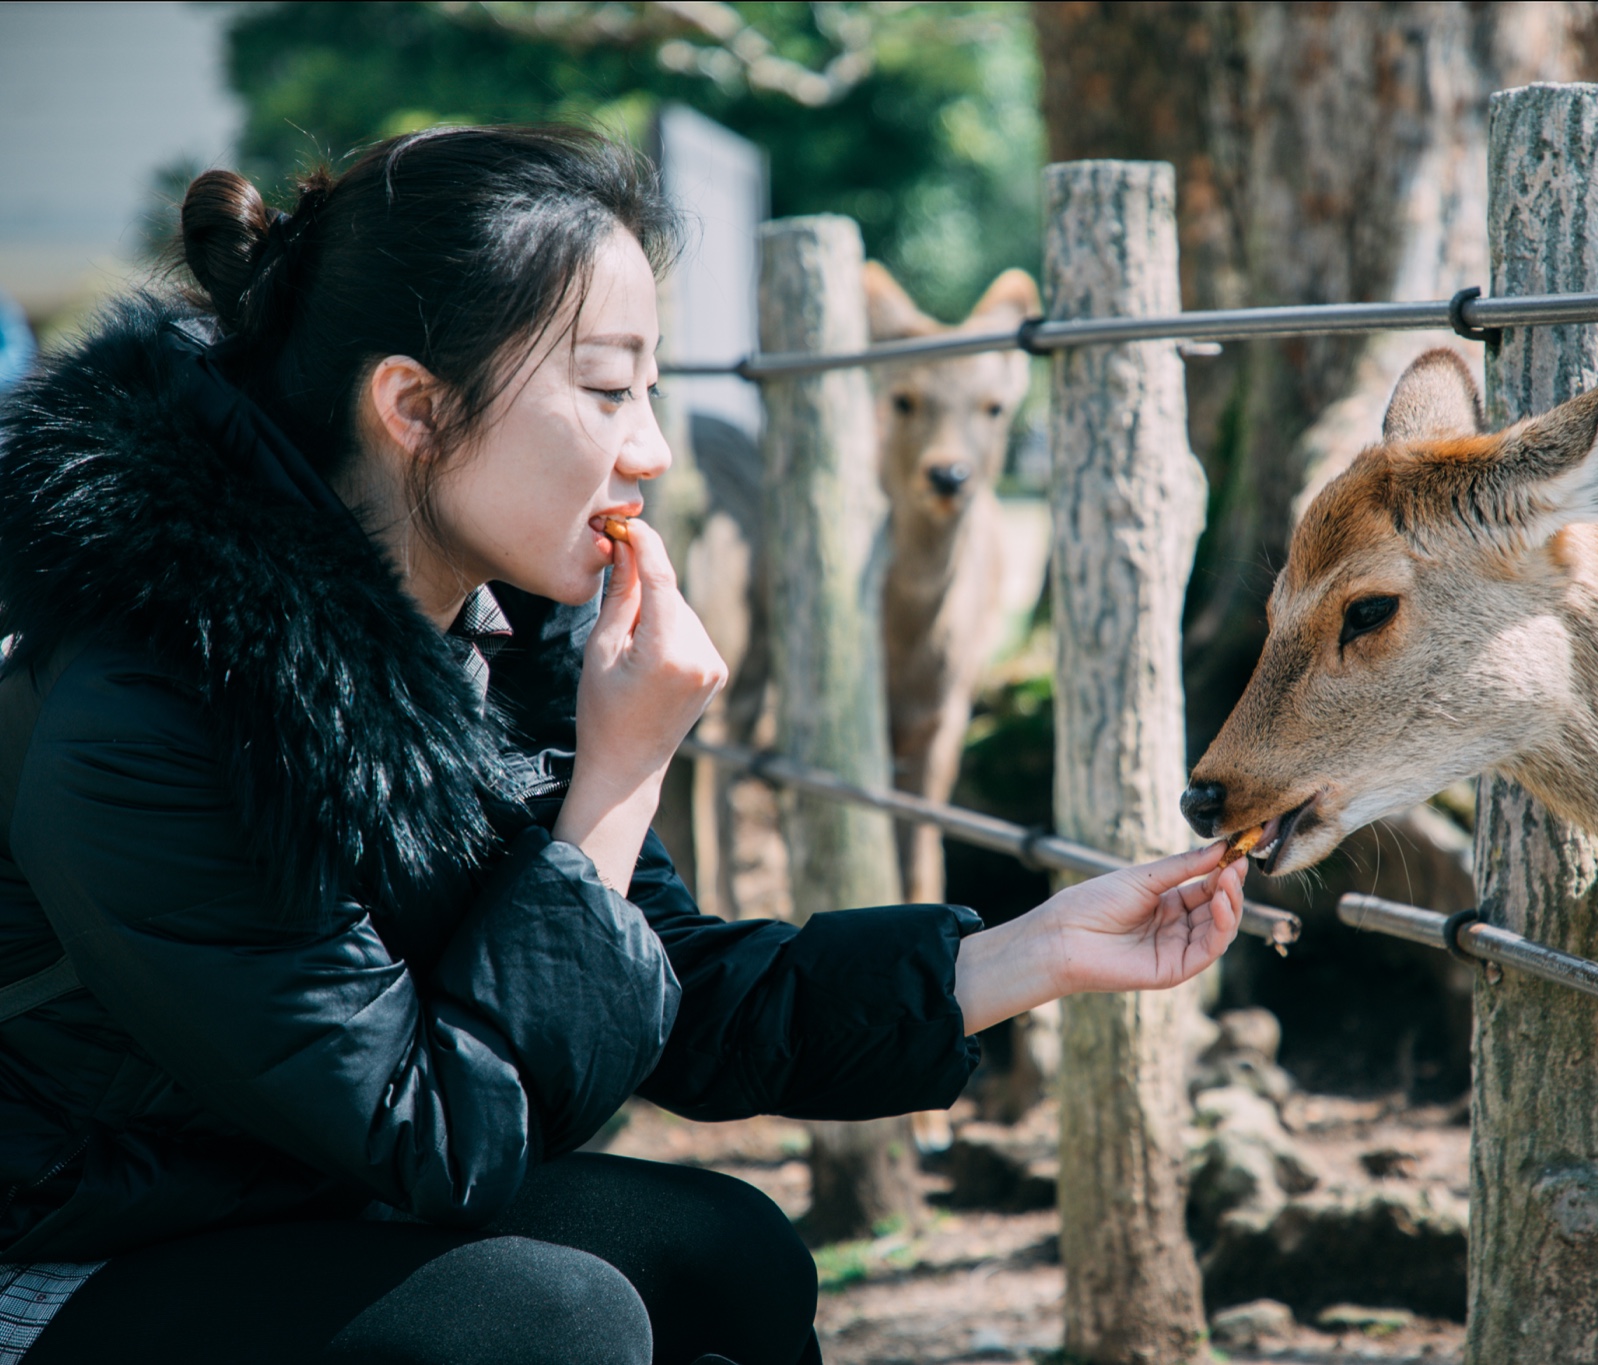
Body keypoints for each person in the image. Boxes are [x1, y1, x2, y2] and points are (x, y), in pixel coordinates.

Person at [0, 126, 1245, 1365]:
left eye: (649, 387)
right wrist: (622, 775)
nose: (648, 448)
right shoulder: (157, 698)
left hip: (294, 1193)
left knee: (726, 1252)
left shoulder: (506, 628)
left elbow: (671, 996)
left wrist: (1033, 951)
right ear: (416, 408)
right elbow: (439, 1139)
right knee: (551, 1323)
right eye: (606, 389)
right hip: (70, 1259)